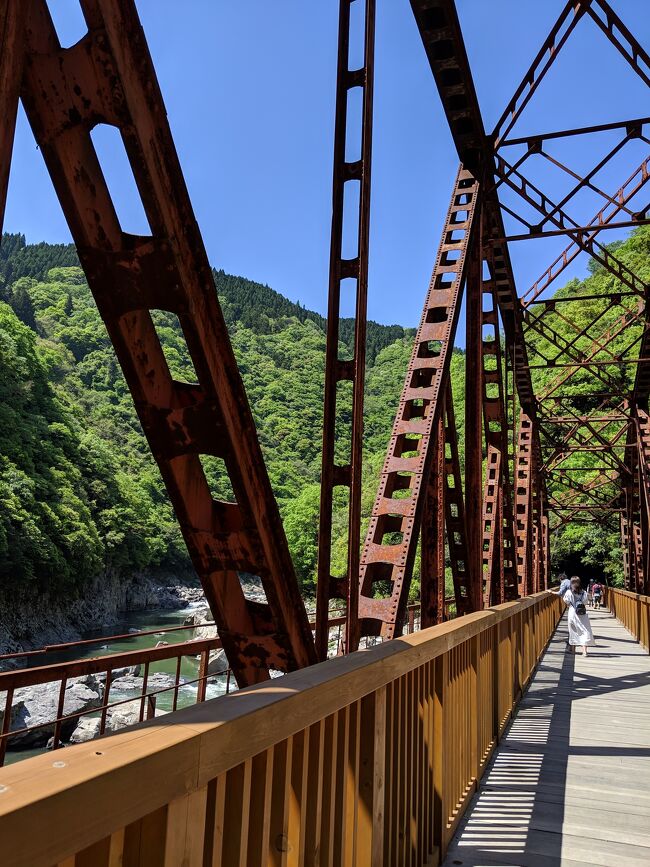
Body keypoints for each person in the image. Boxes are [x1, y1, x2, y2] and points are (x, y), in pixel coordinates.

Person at [563, 576, 595, 655]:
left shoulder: (569, 592)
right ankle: (584, 651)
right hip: (582, 614)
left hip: (572, 612)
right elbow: (585, 602)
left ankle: (573, 651)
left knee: (573, 631)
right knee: (584, 631)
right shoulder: (583, 592)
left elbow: (566, 601)